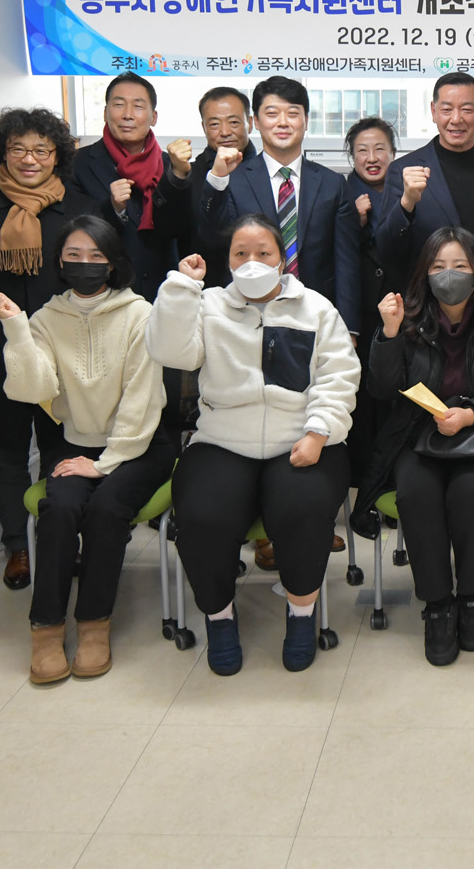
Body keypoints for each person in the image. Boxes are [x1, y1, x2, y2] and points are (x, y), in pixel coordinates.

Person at [146, 215, 360, 677]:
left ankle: (301, 614)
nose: (252, 262)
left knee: (303, 510)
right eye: (240, 254)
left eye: (263, 253)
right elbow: (169, 352)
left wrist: (318, 431)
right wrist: (181, 289)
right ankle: (220, 618)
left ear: (282, 259)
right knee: (202, 516)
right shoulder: (209, 305)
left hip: (301, 438)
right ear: (227, 261)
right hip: (222, 439)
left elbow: (340, 376)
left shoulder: (316, 308)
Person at [0, 216, 173, 684]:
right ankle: (46, 629)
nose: (85, 264)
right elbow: (33, 389)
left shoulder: (141, 314)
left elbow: (142, 398)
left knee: (107, 508)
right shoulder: (44, 319)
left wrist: (105, 463)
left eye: (96, 256)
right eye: (74, 255)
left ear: (112, 264)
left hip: (139, 445)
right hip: (74, 444)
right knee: (59, 509)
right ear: (59, 261)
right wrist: (16, 329)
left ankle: (94, 624)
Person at [200, 76, 362, 565]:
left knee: (309, 410)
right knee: (263, 405)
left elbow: (345, 259)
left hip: (313, 321)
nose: (283, 121)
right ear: (256, 122)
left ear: (306, 120)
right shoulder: (235, 176)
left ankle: (303, 520)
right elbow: (210, 233)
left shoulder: (332, 183)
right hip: (249, 321)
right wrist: (215, 181)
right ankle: (267, 533)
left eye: (293, 112)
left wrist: (349, 327)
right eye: (272, 113)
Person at [358, 227, 474, 666]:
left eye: (459, 265)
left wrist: (472, 413)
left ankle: (473, 595)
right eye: (438, 266)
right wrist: (389, 333)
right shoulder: (408, 317)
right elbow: (381, 389)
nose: (449, 275)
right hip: (419, 434)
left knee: (471, 492)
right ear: (425, 273)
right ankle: (437, 604)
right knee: (416, 493)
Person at [0, 107, 100, 590]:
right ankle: (18, 547)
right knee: (8, 450)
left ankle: (60, 539)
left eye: (41, 150)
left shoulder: (79, 206)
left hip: (63, 344)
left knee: (61, 445)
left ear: (57, 155)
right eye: (18, 150)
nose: (30, 159)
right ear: (2, 154)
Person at [376, 72, 474, 329]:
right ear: (433, 111)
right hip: (428, 315)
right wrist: (406, 203)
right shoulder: (404, 169)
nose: (456, 119)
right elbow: (386, 249)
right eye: (447, 109)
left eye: (467, 109)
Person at [67, 72, 195, 300]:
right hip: (104, 292)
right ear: (105, 113)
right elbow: (72, 231)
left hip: (164, 291)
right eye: (118, 105)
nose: (127, 115)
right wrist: (113, 208)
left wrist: (178, 177)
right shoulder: (77, 164)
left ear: (153, 117)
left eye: (138, 106)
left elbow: (182, 229)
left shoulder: (172, 166)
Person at [343, 116, 402, 533]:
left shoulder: (408, 192)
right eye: (362, 150)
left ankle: (398, 490)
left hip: (403, 312)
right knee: (364, 406)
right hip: (359, 317)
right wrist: (356, 222)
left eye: (380, 148)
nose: (372, 157)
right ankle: (366, 494)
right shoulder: (341, 193)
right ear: (351, 156)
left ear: (393, 153)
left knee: (399, 402)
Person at [186, 86, 257, 289]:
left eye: (234, 122)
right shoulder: (190, 174)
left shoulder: (266, 170)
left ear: (250, 123)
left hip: (263, 284)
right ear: (204, 128)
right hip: (209, 288)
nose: (225, 132)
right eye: (215, 124)